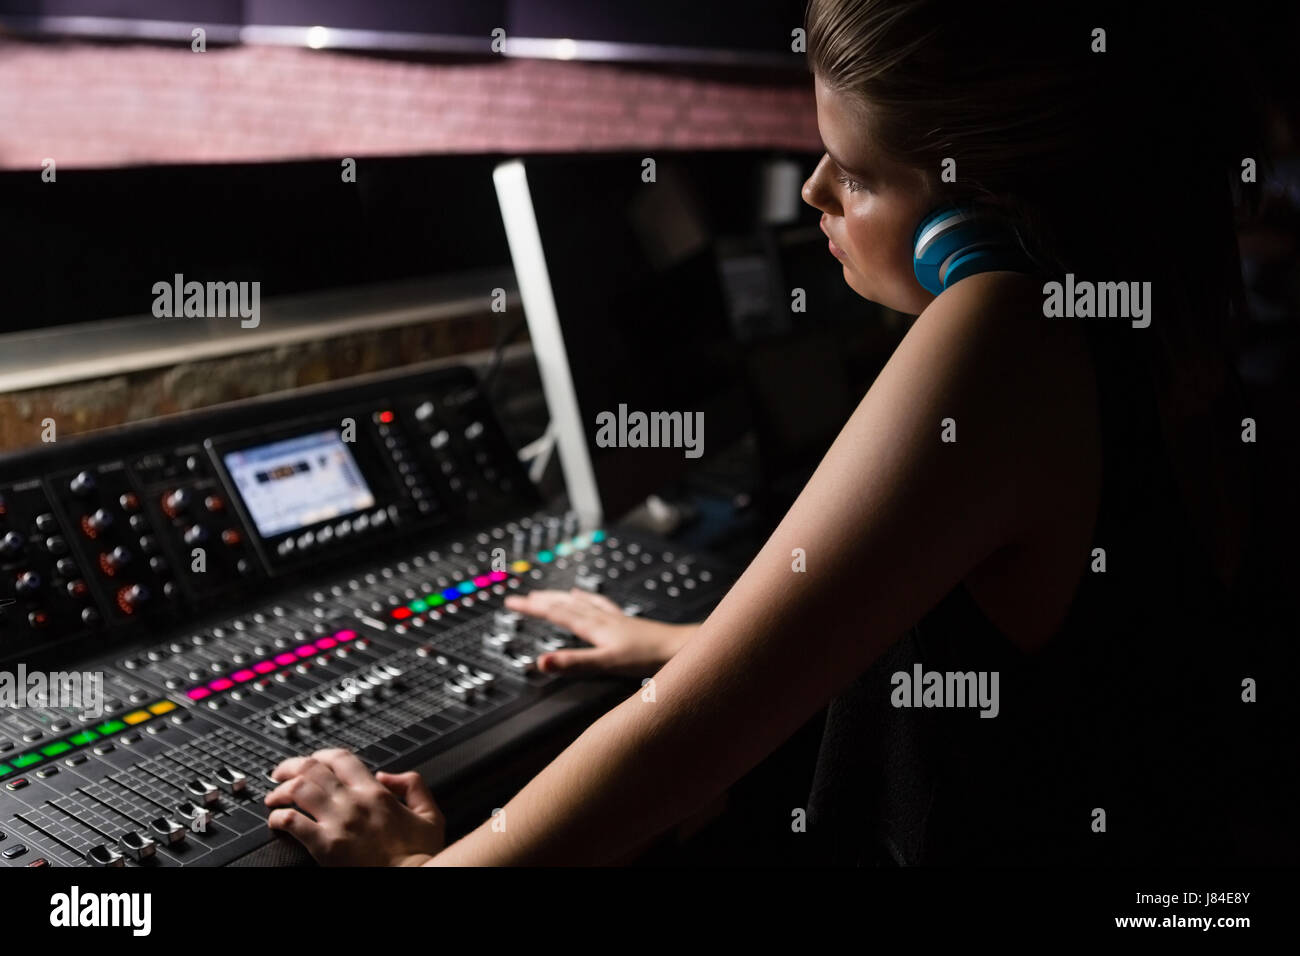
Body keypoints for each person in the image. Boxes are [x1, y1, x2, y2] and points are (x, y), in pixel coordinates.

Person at [264, 0, 1270, 866]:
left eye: (860, 171)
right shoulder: (1154, 331)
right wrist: (696, 643)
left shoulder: (1000, 330)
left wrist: (424, 863)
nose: (813, 192)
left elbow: (677, 749)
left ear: (976, 224)